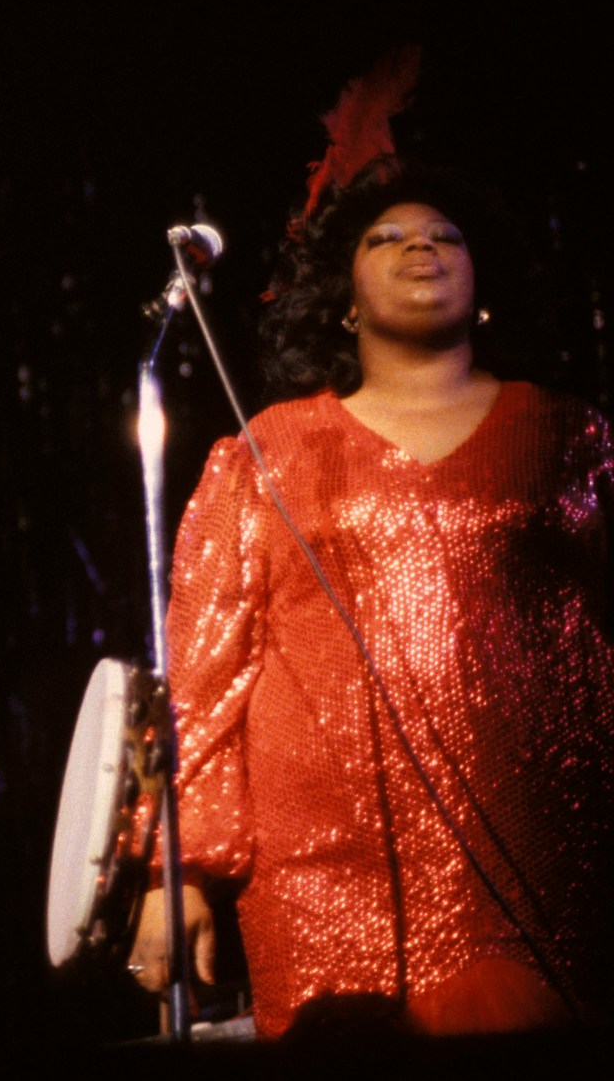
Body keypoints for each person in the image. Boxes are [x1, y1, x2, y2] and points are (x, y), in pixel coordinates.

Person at [132, 136, 613, 1036]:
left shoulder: (568, 435)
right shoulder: (267, 450)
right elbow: (202, 679)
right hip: (321, 874)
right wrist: (178, 867)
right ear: (343, 301)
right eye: (385, 239)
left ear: (486, 281)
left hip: (547, 850)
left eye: (446, 237)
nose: (420, 248)